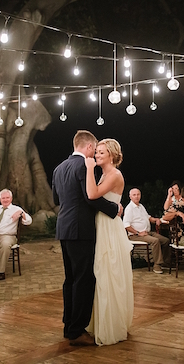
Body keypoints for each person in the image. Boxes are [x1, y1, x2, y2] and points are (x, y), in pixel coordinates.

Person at [52, 130, 121, 347]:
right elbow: (90, 198)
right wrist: (113, 208)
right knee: (84, 280)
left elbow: (56, 199)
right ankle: (76, 331)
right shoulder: (83, 166)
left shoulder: (59, 168)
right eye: (96, 149)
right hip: (81, 229)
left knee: (70, 279)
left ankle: (68, 325)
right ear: (89, 147)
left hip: (64, 227)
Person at [83, 138, 134, 346]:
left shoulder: (114, 174)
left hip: (109, 228)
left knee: (108, 272)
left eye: (101, 153)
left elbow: (93, 194)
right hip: (103, 223)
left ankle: (111, 326)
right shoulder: (105, 173)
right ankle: (100, 322)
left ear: (112, 155)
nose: (97, 156)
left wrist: (88, 168)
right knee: (101, 272)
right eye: (96, 152)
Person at [0, 188, 32, 280]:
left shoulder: (16, 209)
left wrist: (21, 213)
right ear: (0, 199)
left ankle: (1, 271)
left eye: (7, 197)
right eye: (3, 198)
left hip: (8, 236)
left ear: (11, 198)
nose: (5, 200)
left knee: (6, 244)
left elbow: (28, 221)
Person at [123, 187, 170, 274]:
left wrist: (155, 220)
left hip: (147, 232)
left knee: (165, 240)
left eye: (138, 194)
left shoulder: (141, 206)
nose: (136, 196)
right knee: (155, 241)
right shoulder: (129, 209)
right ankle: (157, 265)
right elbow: (126, 225)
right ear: (130, 196)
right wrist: (138, 233)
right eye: (134, 195)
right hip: (135, 235)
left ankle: (165, 262)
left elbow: (148, 217)